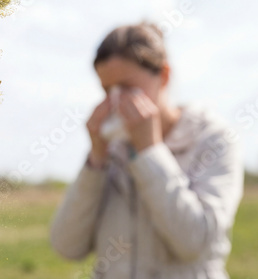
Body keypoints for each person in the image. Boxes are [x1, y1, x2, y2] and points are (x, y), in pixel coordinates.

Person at [50, 21, 244, 279]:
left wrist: (150, 152)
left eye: (128, 88)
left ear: (163, 75)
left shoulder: (212, 139)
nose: (117, 100)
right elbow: (66, 246)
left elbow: (195, 243)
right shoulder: (112, 149)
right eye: (107, 90)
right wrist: (96, 161)